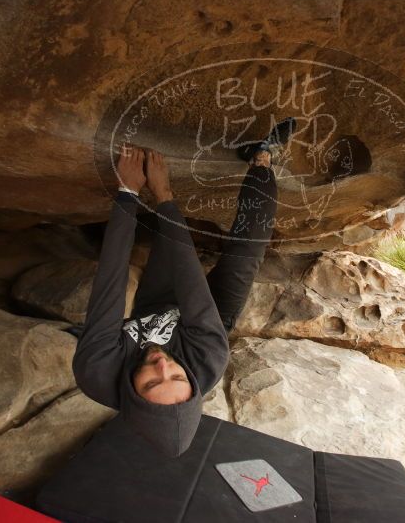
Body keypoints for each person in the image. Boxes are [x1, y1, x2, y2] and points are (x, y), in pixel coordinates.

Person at [72, 118, 295, 457]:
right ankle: (262, 157)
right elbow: (191, 281)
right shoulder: (208, 359)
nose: (163, 366)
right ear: (191, 384)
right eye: (177, 378)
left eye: (150, 382)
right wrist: (164, 196)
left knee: (167, 241)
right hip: (211, 319)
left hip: (156, 306)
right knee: (247, 249)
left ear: (131, 394)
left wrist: (128, 192)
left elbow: (111, 282)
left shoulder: (97, 370)